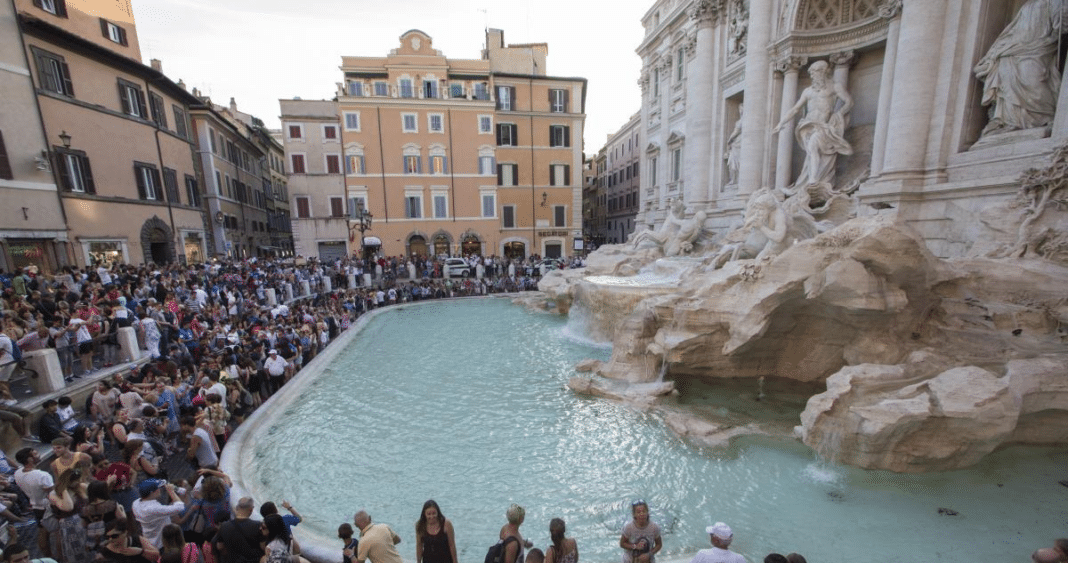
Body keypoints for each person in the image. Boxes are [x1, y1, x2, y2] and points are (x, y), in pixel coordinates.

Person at [973, 0, 1062, 137]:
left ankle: (1042, 119)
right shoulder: (1028, 5)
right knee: (1006, 78)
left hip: (1038, 49)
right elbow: (1012, 31)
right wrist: (995, 51)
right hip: (1013, 50)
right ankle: (1009, 122)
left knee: (1034, 81)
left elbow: (1060, 25)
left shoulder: (1057, 2)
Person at [773, 59, 853, 191]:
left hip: (823, 126)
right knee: (811, 152)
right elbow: (795, 109)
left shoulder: (834, 86)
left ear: (823, 72)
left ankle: (813, 180)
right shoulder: (808, 91)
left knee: (813, 145)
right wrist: (781, 123)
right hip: (807, 126)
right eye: (811, 74)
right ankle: (812, 179)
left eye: (814, 73)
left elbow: (849, 102)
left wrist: (838, 115)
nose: (812, 76)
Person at [13, 449, 52, 558]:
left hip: (36, 506)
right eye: (35, 454)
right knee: (57, 533)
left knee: (42, 532)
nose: (38, 454)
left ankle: (48, 555)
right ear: (29, 459)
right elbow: (51, 492)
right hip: (48, 506)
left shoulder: (17, 473)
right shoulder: (42, 475)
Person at [46, 468, 91, 563]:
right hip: (69, 526)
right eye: (76, 480)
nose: (79, 482)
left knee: (90, 550)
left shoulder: (80, 487)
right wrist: (64, 489)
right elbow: (68, 507)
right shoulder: (54, 494)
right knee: (76, 552)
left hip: (85, 522)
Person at [132, 479, 187, 548]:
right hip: (162, 543)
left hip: (149, 539)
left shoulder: (135, 503)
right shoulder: (153, 509)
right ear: (152, 492)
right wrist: (171, 491)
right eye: (158, 488)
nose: (160, 489)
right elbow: (180, 507)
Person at [212, 496, 263, 563]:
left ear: (237, 507)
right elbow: (263, 546)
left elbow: (219, 546)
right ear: (251, 509)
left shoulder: (224, 526)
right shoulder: (258, 525)